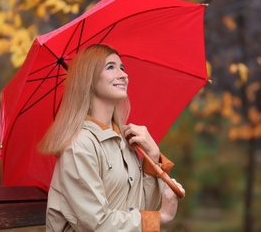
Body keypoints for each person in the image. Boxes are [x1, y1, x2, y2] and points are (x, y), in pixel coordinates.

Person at [39, 44, 185, 231]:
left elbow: (140, 207)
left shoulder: (125, 140)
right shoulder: (79, 146)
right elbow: (97, 224)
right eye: (111, 67)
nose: (123, 75)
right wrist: (159, 218)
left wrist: (153, 157)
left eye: (122, 68)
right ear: (89, 80)